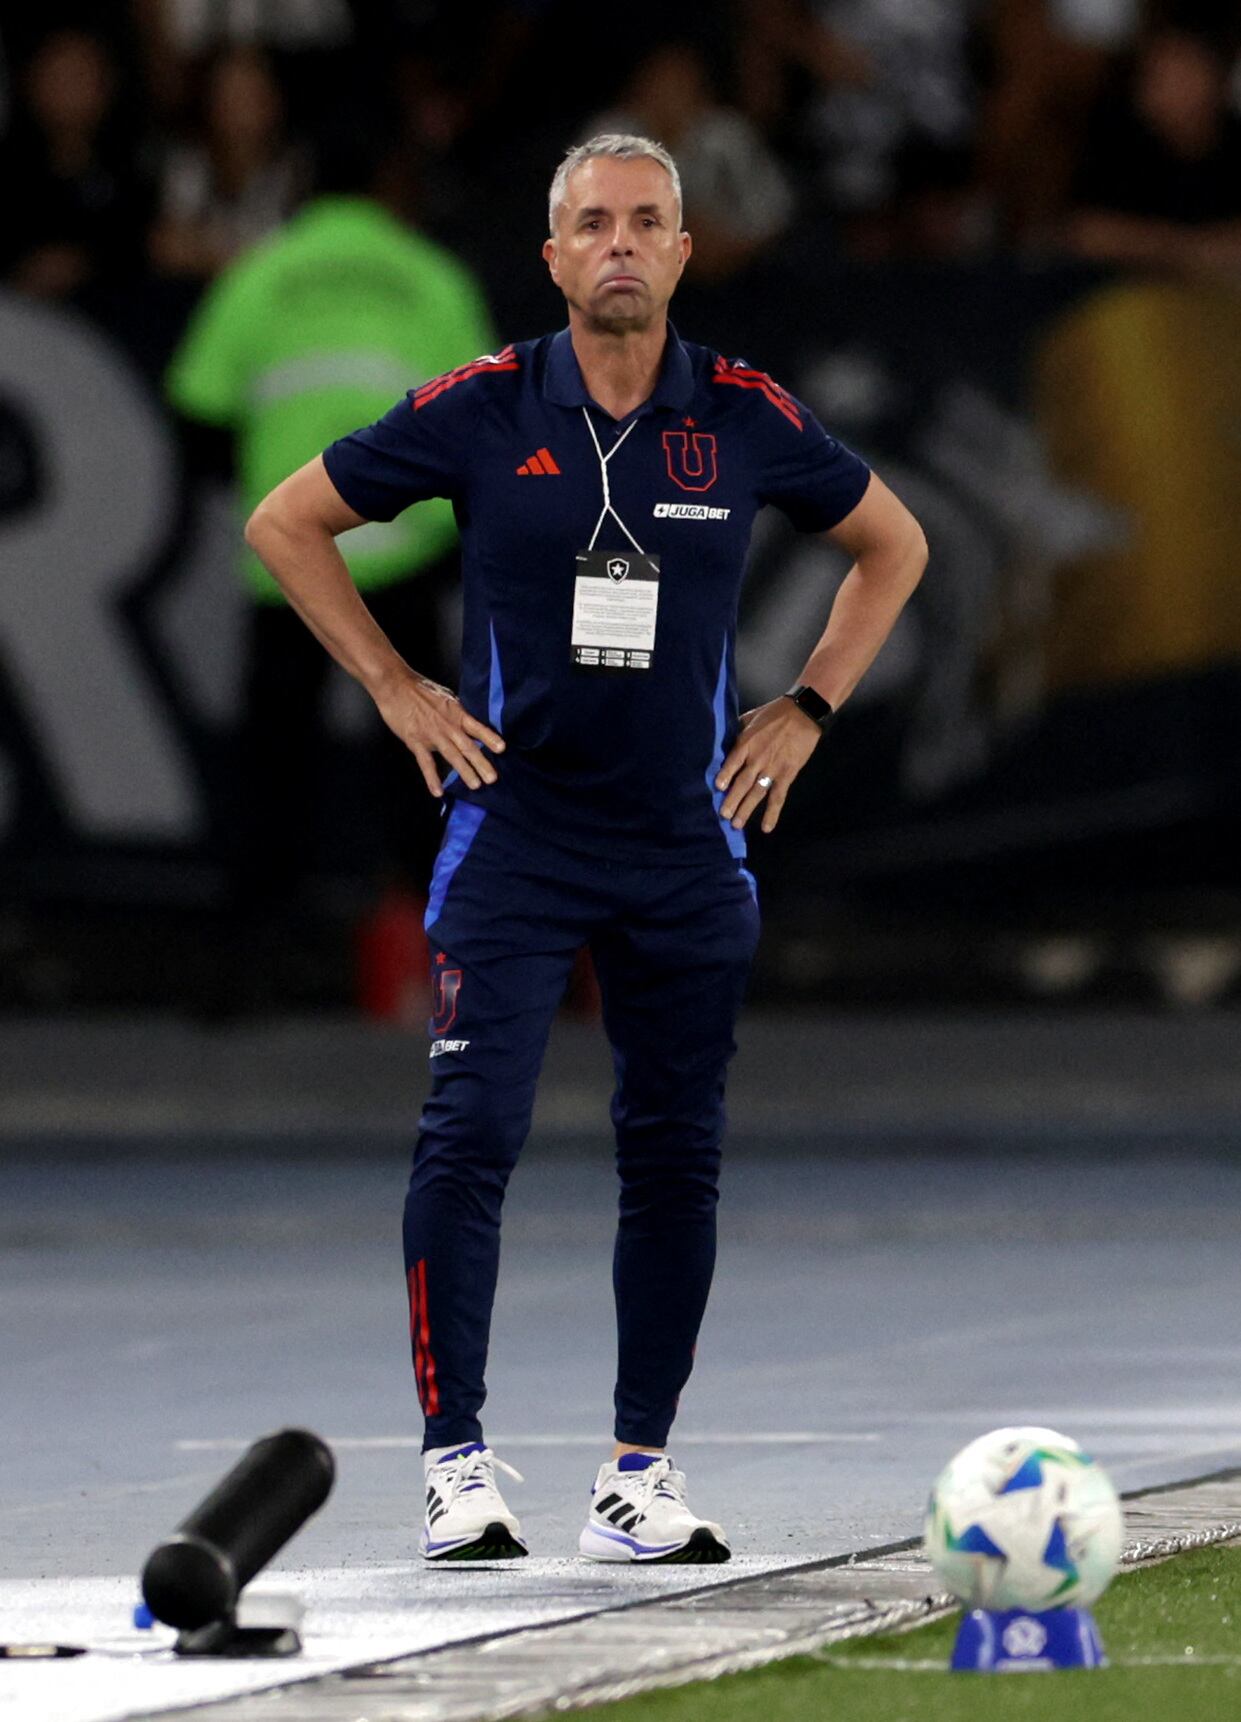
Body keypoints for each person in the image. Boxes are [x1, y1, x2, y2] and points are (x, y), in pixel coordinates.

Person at [244, 134, 927, 1561]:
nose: (620, 243)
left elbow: (894, 544)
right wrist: (393, 685)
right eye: (592, 224)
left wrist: (806, 705)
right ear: (552, 257)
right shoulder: (485, 407)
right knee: (470, 1129)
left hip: (685, 837)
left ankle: (638, 1470)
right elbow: (286, 520)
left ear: (684, 252)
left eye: (648, 222)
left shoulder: (740, 414)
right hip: (516, 831)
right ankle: (455, 1462)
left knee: (674, 1155)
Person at [165, 119, 493, 964]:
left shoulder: (260, 272)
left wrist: (265, 494)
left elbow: (199, 414)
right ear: (392, 181)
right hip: (406, 551)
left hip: (290, 562)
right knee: (423, 758)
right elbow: (481, 427)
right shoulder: (429, 276)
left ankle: (248, 957)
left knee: (275, 763)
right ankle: (443, 950)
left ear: (305, 184)